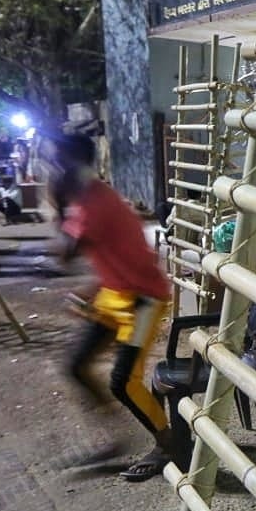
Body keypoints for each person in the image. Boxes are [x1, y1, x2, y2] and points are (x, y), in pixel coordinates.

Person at [54, 133, 174, 482]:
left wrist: (57, 204)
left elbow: (65, 253)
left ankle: (168, 443)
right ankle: (115, 436)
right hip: (115, 293)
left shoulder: (93, 203)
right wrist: (92, 290)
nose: (55, 168)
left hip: (143, 298)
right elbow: (115, 252)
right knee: (77, 365)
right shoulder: (91, 197)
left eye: (59, 162)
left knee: (124, 381)